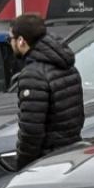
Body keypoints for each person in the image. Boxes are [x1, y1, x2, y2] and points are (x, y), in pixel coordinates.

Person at [9, 13, 85, 168]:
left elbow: (31, 131)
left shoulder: (33, 74)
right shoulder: (68, 66)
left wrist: (22, 165)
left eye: (10, 38)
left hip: (47, 161)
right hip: (71, 154)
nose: (10, 43)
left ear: (21, 41)